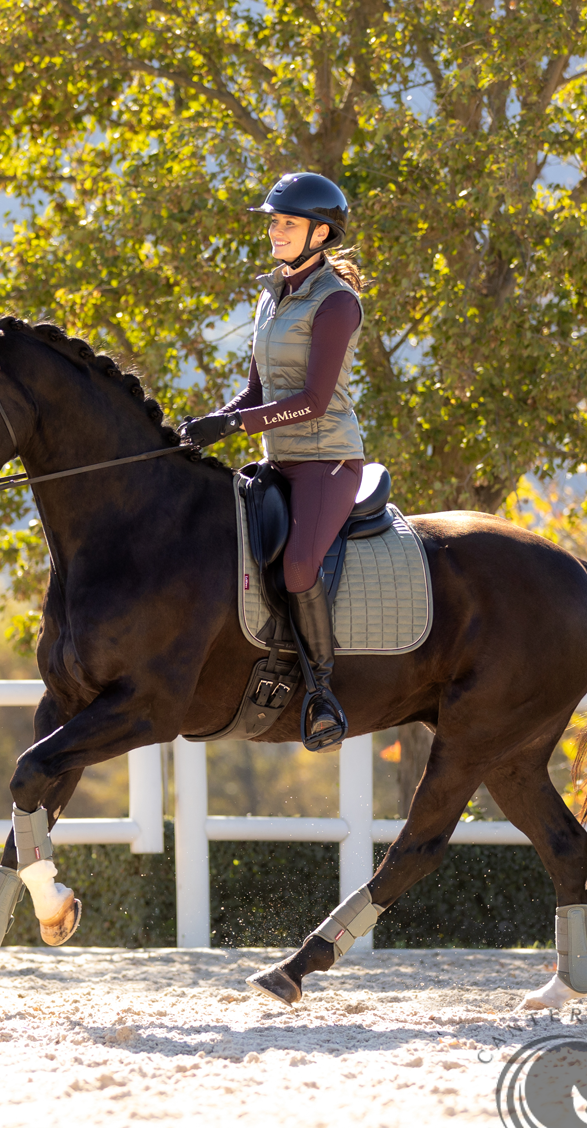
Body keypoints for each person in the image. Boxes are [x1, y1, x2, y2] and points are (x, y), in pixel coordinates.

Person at [181, 171, 366, 751]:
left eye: (286, 222)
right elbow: (256, 395)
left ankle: (322, 695)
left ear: (320, 233)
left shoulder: (336, 304)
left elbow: (313, 401)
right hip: (279, 462)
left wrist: (237, 424)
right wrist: (203, 427)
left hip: (327, 462)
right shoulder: (272, 295)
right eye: (274, 222)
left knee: (298, 569)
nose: (275, 231)